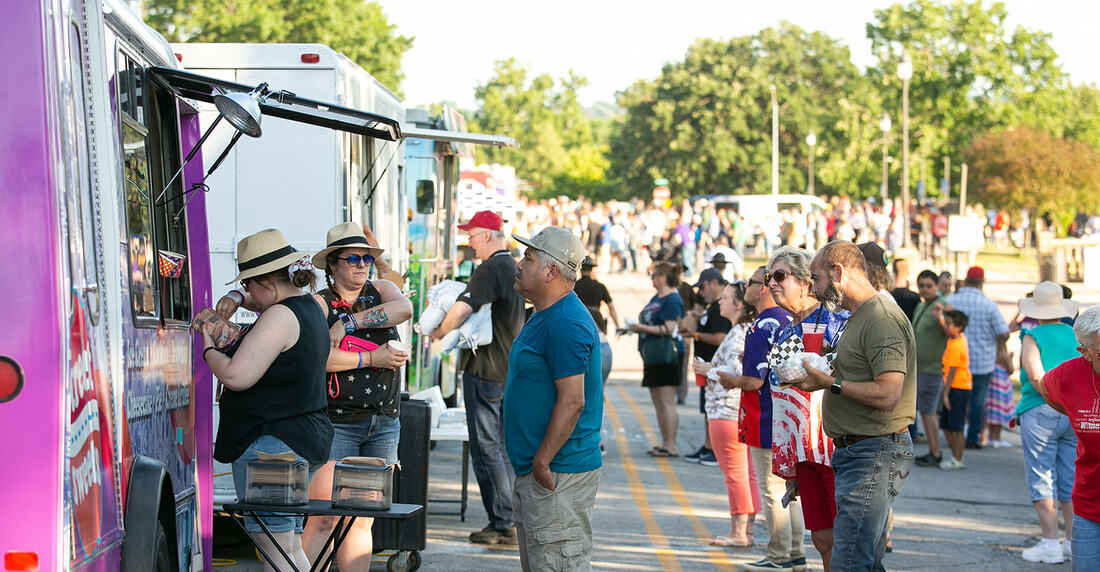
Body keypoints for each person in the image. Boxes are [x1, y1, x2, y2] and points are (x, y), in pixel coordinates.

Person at [206, 229, 334, 571]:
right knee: (288, 544)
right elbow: (265, 298)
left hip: (273, 445)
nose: (248, 293)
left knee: (276, 547)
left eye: (248, 284)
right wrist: (235, 295)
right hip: (300, 438)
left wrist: (208, 347)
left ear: (265, 280)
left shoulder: (278, 317)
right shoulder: (311, 305)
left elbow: (236, 375)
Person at [795, 240, 916, 571]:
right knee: (863, 560)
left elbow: (888, 393)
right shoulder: (860, 316)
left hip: (873, 452)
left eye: (817, 279)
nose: (815, 291)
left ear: (839, 272)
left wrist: (829, 383)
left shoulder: (881, 319)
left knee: (849, 560)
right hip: (860, 452)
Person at [302, 222, 412, 568]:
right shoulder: (318, 305)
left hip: (382, 422)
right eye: (353, 258)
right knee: (324, 517)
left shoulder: (381, 290)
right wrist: (372, 358)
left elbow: (404, 309)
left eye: (366, 257)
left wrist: (349, 324)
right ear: (332, 264)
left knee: (362, 519)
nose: (363, 264)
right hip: (336, 424)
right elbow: (316, 361)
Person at [506, 226, 604, 572]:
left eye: (528, 258)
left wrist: (543, 461)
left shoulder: (565, 322)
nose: (519, 264)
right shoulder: (545, 314)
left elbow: (572, 401)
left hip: (557, 475)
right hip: (539, 474)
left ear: (551, 271)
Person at [429, 210, 526, 545]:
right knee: (500, 446)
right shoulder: (513, 265)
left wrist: (437, 332)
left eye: (471, 237)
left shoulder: (491, 267)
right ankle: (511, 518)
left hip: (485, 369)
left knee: (487, 447)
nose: (469, 245)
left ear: (486, 234)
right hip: (507, 367)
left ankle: (503, 522)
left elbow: (462, 308)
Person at [763, 246, 848, 572]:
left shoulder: (834, 320)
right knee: (821, 536)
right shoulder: (786, 326)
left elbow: (845, 371)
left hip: (827, 443)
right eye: (770, 277)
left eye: (780, 275)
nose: (772, 283)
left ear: (806, 282)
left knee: (842, 534)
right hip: (800, 446)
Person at [716, 266, 805, 572]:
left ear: (765, 288)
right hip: (787, 416)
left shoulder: (761, 326)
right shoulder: (787, 320)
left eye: (752, 283)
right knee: (788, 490)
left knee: (772, 490)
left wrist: (731, 379)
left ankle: (779, 555)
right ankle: (795, 553)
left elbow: (754, 381)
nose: (747, 288)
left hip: (764, 416)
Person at [1015, 281, 1080, 564]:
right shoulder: (1074, 333)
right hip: (1072, 412)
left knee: (1042, 475)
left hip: (1040, 410)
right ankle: (1072, 542)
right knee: (1070, 478)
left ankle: (1050, 542)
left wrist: (1050, 401)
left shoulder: (1032, 335)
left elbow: (1035, 375)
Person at [692, 281, 760, 548]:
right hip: (738, 411)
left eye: (726, 298)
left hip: (725, 410)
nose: (720, 302)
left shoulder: (736, 334)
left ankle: (739, 531)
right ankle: (748, 530)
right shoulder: (746, 330)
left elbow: (732, 372)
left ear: (739, 304)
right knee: (748, 473)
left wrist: (706, 368)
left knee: (735, 474)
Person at [1036, 305, 1100, 571]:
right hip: (1089, 502)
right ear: (1084, 352)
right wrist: (1075, 411)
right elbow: (1044, 387)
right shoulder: (1069, 374)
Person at [946, 266, 1010, 449]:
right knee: (977, 402)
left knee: (956, 398)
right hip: (982, 361)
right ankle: (973, 436)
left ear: (966, 280)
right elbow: (1003, 332)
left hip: (956, 359)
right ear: (981, 283)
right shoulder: (989, 305)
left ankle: (955, 432)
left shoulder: (952, 301)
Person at [628, 260, 685, 457]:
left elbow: (669, 328)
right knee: (658, 400)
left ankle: (671, 444)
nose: (652, 279)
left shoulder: (672, 299)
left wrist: (640, 328)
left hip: (666, 354)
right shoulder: (658, 297)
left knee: (666, 400)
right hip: (652, 353)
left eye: (654, 276)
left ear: (662, 278)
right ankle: (664, 442)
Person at [684, 267, 731, 466]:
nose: (701, 292)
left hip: (715, 368)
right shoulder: (712, 307)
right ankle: (708, 444)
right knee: (707, 406)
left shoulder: (721, 308)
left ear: (713, 283)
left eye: (703, 287)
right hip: (706, 368)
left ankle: (715, 448)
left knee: (714, 408)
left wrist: (695, 335)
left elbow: (719, 337)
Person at [912, 270, 951, 466]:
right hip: (920, 367)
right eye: (922, 286)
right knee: (926, 412)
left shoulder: (942, 305)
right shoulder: (921, 305)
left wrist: (941, 318)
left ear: (936, 286)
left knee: (928, 411)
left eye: (929, 286)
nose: (925, 289)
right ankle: (933, 451)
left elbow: (953, 333)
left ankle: (935, 452)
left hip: (933, 367)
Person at [574, 256, 620, 382]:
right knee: (596, 351)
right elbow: (611, 308)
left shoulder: (575, 286)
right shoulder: (600, 286)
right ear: (592, 270)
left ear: (581, 269)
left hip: (580, 318)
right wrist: (618, 325)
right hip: (597, 319)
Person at [937, 310, 971, 470]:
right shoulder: (954, 338)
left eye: (949, 324)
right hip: (954, 386)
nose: (946, 327)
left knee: (956, 425)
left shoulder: (957, 344)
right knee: (946, 424)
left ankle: (957, 458)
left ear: (959, 327)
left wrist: (945, 393)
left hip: (958, 387)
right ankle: (956, 456)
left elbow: (952, 372)